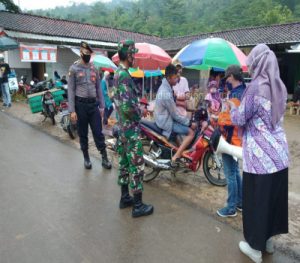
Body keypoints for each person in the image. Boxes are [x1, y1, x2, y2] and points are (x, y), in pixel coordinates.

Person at [229, 44, 289, 263]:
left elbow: (240, 118)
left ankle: (255, 247)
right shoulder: (278, 86)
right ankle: (268, 241)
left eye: (251, 61)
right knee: (272, 199)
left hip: (260, 157)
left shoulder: (255, 88)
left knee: (257, 201)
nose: (250, 66)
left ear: (257, 62)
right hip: (279, 156)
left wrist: (232, 108)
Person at [113, 39, 153, 218]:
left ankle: (124, 198)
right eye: (133, 54)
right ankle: (137, 205)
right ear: (128, 55)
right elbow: (129, 107)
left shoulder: (117, 73)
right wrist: (140, 112)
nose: (134, 57)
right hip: (130, 129)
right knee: (136, 165)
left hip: (122, 128)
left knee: (124, 163)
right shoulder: (124, 75)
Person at [68, 41, 112, 170]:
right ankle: (86, 158)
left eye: (89, 54)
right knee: (83, 133)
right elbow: (70, 90)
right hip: (80, 105)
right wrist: (72, 110)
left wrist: (102, 107)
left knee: (98, 132)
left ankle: (104, 157)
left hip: (93, 106)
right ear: (81, 53)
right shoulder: (74, 69)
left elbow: (99, 88)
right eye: (86, 54)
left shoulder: (94, 68)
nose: (88, 56)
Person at [216, 65, 246, 218]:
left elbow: (229, 119)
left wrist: (219, 116)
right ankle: (240, 203)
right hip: (238, 139)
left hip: (230, 139)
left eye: (227, 78)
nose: (226, 81)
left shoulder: (235, 96)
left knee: (230, 174)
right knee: (235, 172)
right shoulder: (244, 92)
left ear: (232, 77)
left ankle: (231, 207)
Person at [154, 64, 196, 164]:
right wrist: (189, 123)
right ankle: (175, 158)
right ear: (169, 77)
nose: (178, 79)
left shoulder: (167, 87)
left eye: (178, 75)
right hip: (166, 121)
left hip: (165, 117)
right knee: (191, 133)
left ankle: (179, 155)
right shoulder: (166, 93)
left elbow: (186, 97)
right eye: (176, 77)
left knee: (180, 139)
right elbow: (175, 115)